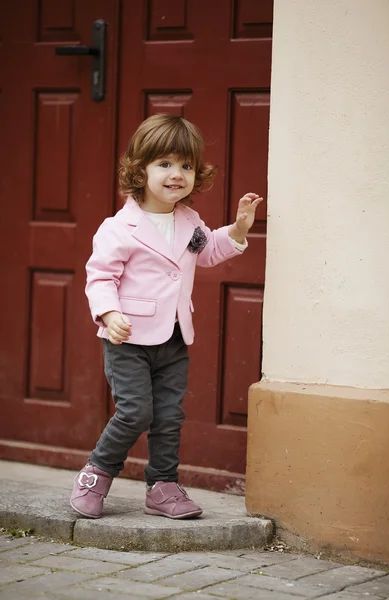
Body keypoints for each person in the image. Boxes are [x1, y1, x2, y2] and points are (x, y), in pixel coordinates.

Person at [70, 113, 263, 520]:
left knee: (170, 414)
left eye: (186, 166)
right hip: (128, 338)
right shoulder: (118, 227)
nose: (177, 174)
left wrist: (239, 231)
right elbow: (100, 276)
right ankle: (97, 472)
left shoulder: (188, 221)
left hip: (174, 337)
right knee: (137, 411)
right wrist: (109, 312)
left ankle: (163, 485)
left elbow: (207, 251)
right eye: (165, 164)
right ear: (140, 171)